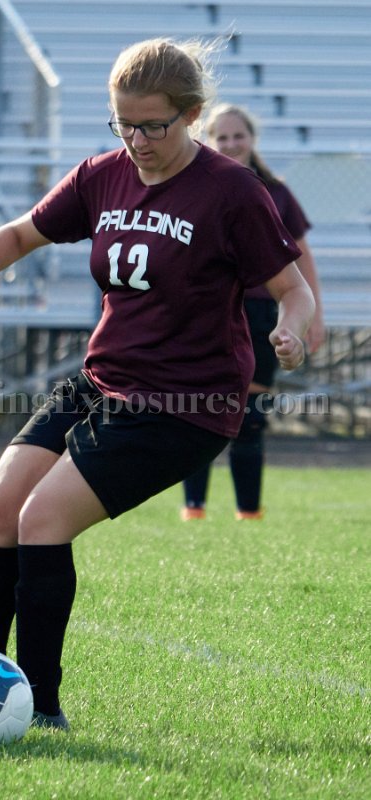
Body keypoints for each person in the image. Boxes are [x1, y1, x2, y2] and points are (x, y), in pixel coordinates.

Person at [0, 39, 315, 730]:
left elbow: (292, 289)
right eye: (123, 124)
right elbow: (20, 234)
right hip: (101, 379)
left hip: (185, 403)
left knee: (41, 520)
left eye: (153, 126)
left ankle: (39, 707)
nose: (136, 141)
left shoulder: (232, 191)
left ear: (192, 116)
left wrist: (291, 331)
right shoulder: (102, 175)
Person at [181, 103, 325, 522]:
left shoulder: (276, 191)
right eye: (222, 137)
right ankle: (194, 509)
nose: (230, 143)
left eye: (237, 135)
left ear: (252, 138)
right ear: (208, 140)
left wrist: (314, 315)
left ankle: (249, 512)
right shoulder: (192, 187)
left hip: (260, 312)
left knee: (250, 416)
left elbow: (302, 257)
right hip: (207, 311)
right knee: (198, 409)